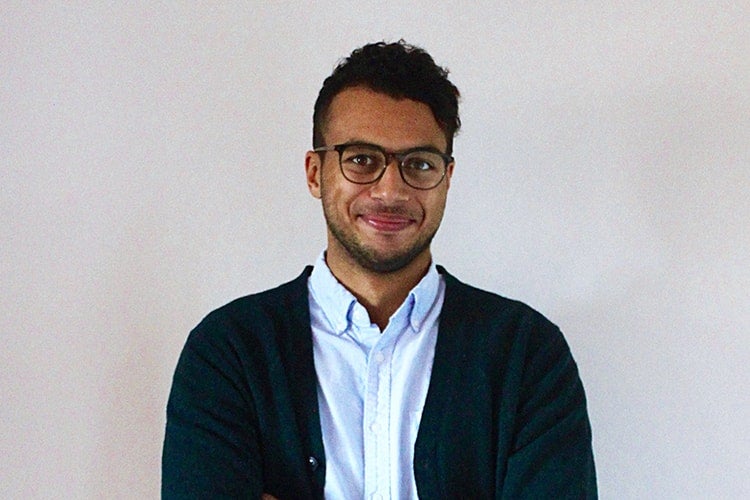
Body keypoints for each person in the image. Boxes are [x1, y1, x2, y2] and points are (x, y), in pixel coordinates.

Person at [162, 40, 597, 499]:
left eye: (419, 164)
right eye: (362, 160)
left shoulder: (527, 355)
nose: (390, 191)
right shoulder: (229, 352)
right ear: (315, 173)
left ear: (447, 179)